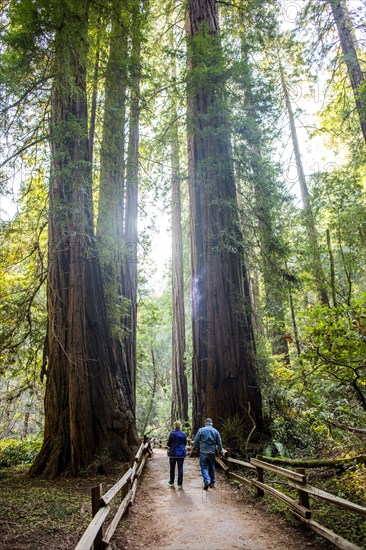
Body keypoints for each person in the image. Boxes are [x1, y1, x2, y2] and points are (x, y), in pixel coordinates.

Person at [193, 418, 222, 490]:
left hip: (203, 452)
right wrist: (220, 452)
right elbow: (219, 443)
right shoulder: (215, 431)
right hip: (212, 452)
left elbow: (196, 440)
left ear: (205, 423)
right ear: (211, 423)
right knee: (211, 467)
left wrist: (194, 448)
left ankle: (207, 480)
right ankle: (212, 483)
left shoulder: (201, 430)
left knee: (203, 467)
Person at [167, 420, 187, 489]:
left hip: (173, 453)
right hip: (181, 453)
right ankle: (180, 484)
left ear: (174, 426)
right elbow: (185, 443)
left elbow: (168, 444)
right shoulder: (183, 434)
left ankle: (172, 482)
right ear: (180, 426)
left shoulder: (172, 434)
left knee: (172, 468)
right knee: (180, 468)